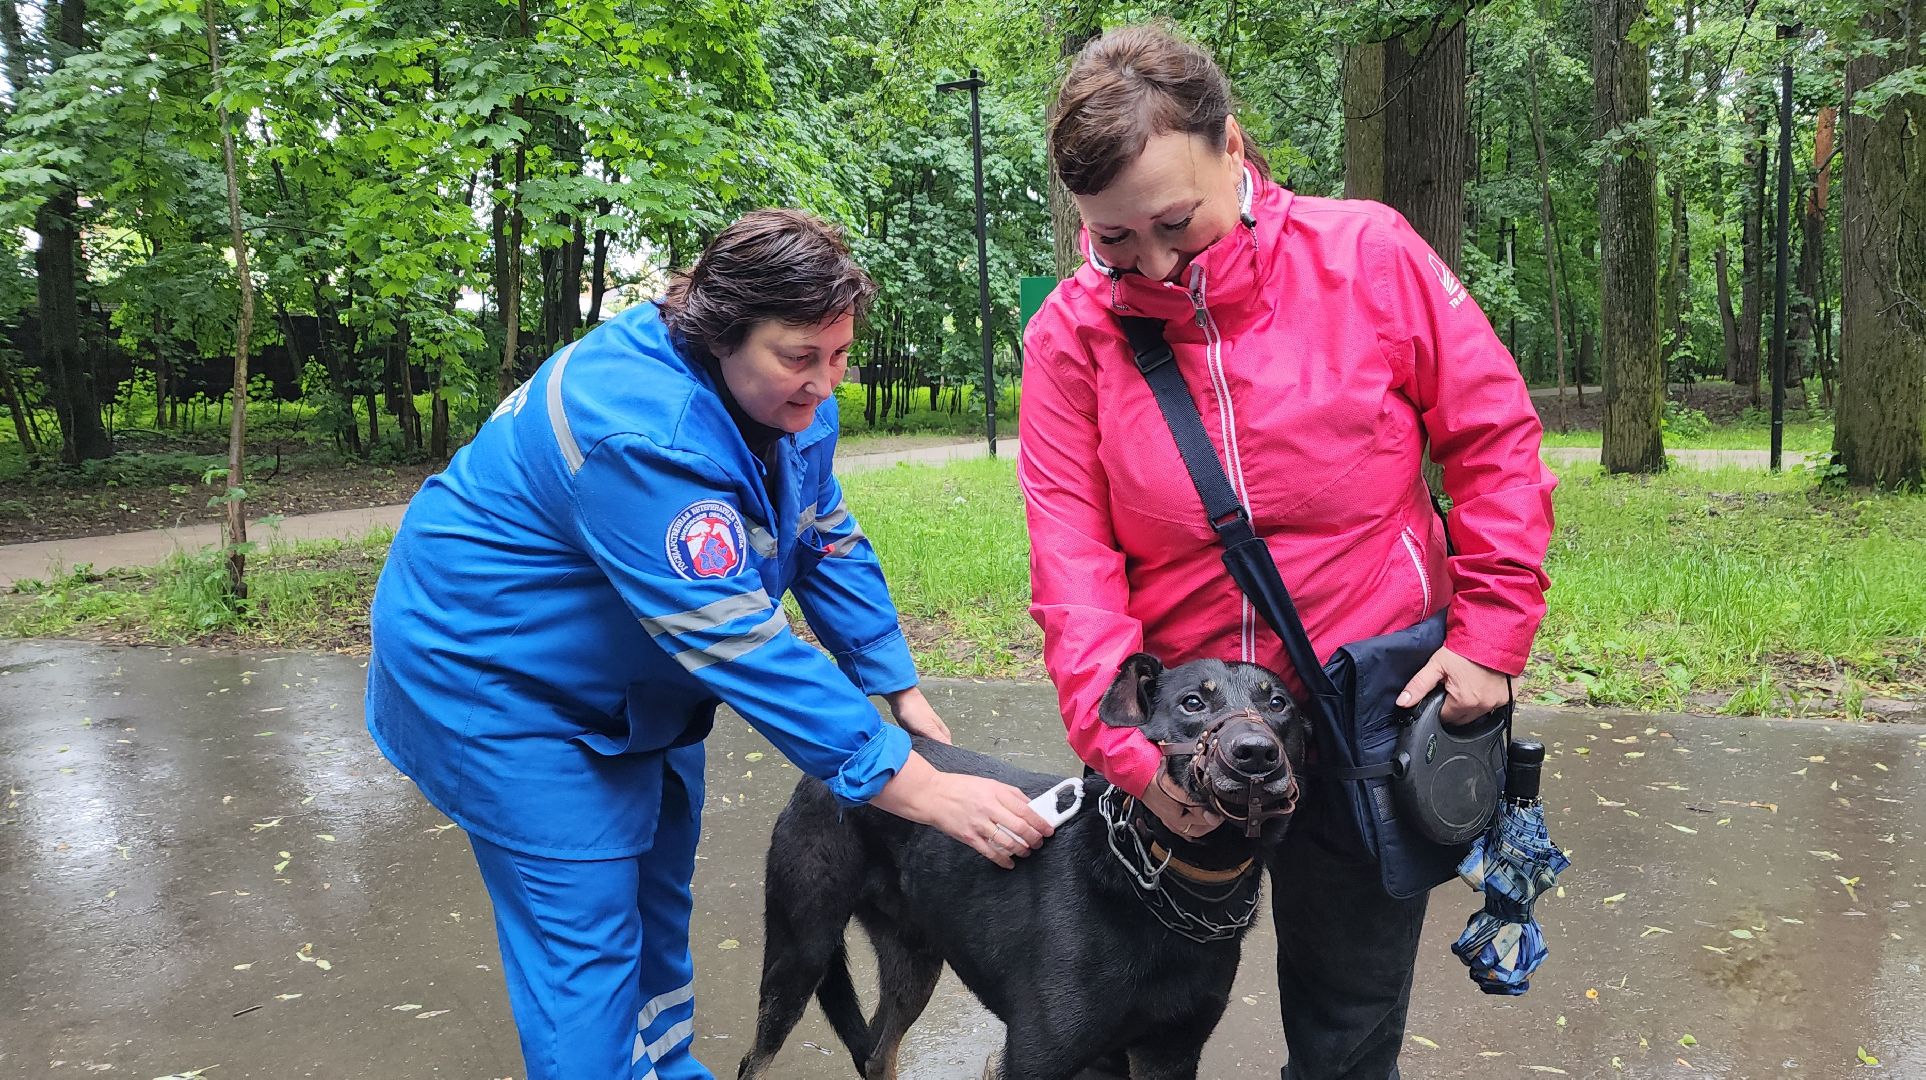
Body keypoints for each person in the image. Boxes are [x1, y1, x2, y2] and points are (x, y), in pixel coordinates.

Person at [365, 209, 1052, 1080]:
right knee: (582, 936)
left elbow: (819, 528)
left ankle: (669, 1064)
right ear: (723, 334)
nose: (823, 386)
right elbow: (736, 641)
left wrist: (897, 685)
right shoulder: (643, 434)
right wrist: (916, 786)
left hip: (635, 672)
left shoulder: (782, 404)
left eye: (839, 357)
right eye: (800, 358)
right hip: (493, 677)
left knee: (656, 894)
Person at [1020, 24, 1556, 1080]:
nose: (1154, 264)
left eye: (1175, 222)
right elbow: (1072, 569)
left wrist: (1492, 638)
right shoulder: (1069, 337)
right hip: (1181, 740)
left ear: (1235, 148)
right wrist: (1135, 754)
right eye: (1113, 242)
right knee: (1128, 1029)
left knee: (1349, 1031)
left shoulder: (1371, 256)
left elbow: (1494, 441)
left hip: (1365, 712)